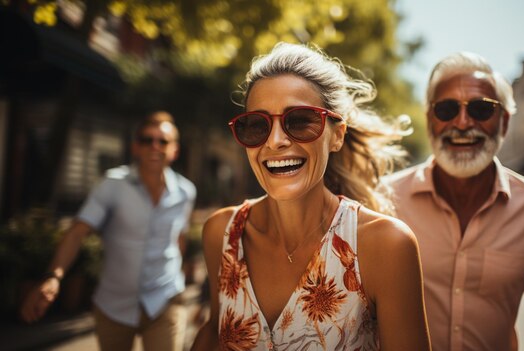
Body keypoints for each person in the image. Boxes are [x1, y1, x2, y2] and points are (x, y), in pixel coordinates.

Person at [191, 42, 431, 350]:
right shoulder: (221, 234)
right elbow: (214, 331)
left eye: (300, 120)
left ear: (337, 135)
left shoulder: (386, 246)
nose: (275, 141)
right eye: (256, 125)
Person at [385, 52, 524, 351]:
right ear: (429, 121)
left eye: (481, 109)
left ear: (504, 123)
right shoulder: (383, 198)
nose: (462, 123)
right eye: (447, 109)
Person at [20, 112, 197, 351]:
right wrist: (54, 276)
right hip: (114, 306)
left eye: (163, 141)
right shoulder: (112, 185)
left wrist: (183, 276)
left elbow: (179, 238)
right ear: (135, 147)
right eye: (147, 140)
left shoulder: (186, 192)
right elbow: (77, 233)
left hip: (165, 299)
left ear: (174, 150)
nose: (155, 146)